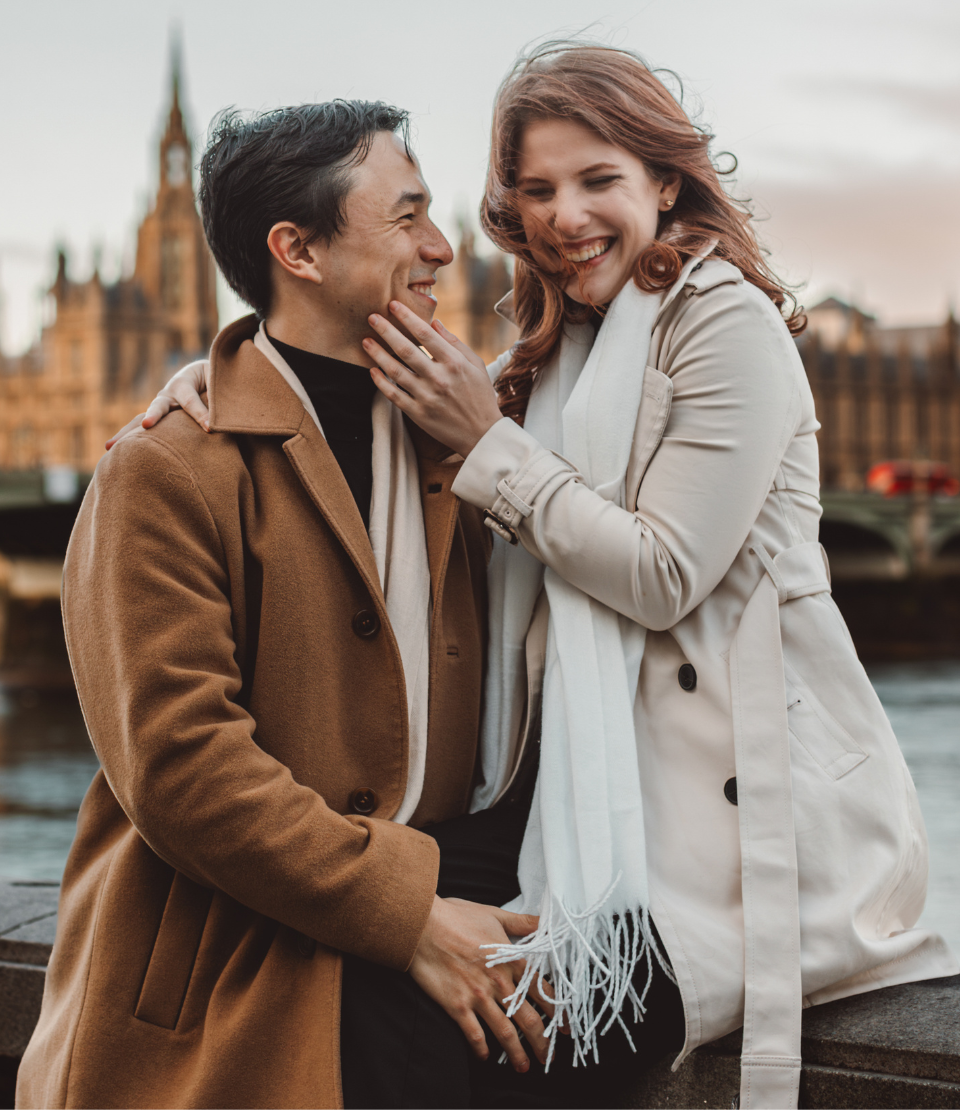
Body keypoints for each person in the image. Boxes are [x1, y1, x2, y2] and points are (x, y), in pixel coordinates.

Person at [142, 43, 958, 1110]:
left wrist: (486, 448)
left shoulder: (724, 325)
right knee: (312, 988)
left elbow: (662, 573)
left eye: (597, 181)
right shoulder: (554, 346)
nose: (564, 216)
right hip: (562, 810)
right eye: (535, 191)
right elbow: (347, 366)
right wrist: (227, 368)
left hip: (724, 844)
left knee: (409, 1043)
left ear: (666, 181)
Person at [16, 100, 571, 1110]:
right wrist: (406, 916)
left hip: (451, 911)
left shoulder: (469, 439)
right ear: (297, 250)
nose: (442, 246)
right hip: (234, 967)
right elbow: (183, 767)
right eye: (407, 217)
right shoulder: (165, 467)